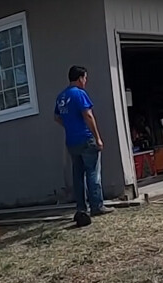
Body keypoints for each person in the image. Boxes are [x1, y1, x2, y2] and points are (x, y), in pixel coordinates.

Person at [55, 65, 108, 226]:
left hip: (71, 141)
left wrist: (70, 126)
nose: (86, 81)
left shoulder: (61, 96)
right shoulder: (79, 94)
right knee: (93, 172)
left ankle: (81, 207)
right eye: (85, 78)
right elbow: (88, 115)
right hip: (86, 138)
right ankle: (97, 206)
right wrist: (98, 137)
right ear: (79, 78)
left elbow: (57, 117)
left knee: (77, 175)